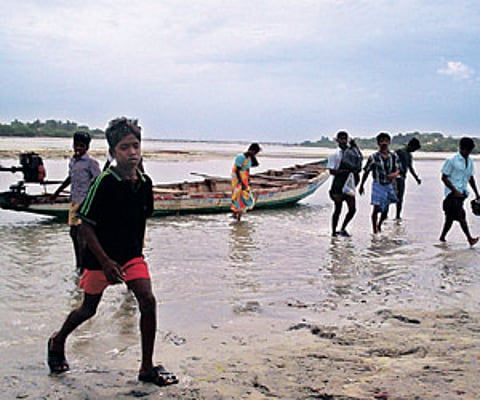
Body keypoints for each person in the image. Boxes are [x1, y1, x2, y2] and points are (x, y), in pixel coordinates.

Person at [47, 117, 178, 387]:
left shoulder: (144, 183)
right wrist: (105, 262)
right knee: (88, 309)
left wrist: (136, 261)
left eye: (136, 145)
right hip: (99, 257)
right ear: (113, 152)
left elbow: (141, 221)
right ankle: (57, 340)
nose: (132, 152)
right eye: (124, 148)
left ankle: (146, 368)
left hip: (130, 256)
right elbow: (84, 226)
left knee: (148, 301)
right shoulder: (105, 182)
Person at [51, 131, 101, 272]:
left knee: (81, 234)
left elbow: (97, 182)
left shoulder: (91, 162)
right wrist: (56, 193)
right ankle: (79, 264)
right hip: (74, 201)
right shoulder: (73, 161)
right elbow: (70, 179)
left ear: (87, 147)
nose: (78, 148)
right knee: (73, 233)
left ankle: (83, 266)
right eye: (76, 145)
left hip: (85, 202)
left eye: (81, 146)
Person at [439, 137, 479, 246]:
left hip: (462, 194)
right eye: (467, 150)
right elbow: (444, 177)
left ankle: (442, 238)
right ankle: (470, 239)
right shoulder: (451, 161)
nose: (468, 152)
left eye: (470, 150)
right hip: (451, 195)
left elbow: (470, 178)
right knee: (461, 216)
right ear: (461, 148)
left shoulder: (469, 161)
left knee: (450, 219)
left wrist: (477, 193)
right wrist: (454, 190)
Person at [359, 132, 400, 234]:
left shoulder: (393, 156)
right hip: (378, 184)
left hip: (389, 184)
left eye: (386, 141)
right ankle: (374, 230)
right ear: (378, 143)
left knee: (385, 210)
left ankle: (379, 224)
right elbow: (366, 171)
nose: (384, 143)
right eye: (381, 141)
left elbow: (398, 170)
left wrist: (393, 175)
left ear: (389, 142)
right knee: (376, 207)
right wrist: (361, 185)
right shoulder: (373, 157)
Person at [327, 131, 362, 237]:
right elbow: (332, 171)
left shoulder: (352, 152)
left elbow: (359, 161)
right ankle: (333, 231)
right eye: (341, 139)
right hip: (338, 184)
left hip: (350, 184)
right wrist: (346, 170)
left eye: (344, 139)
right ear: (337, 140)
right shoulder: (334, 154)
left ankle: (343, 228)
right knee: (338, 209)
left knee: (352, 209)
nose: (343, 141)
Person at [231, 143, 261, 221]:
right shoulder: (240, 157)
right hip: (237, 179)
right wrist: (241, 183)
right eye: (255, 152)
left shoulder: (249, 158)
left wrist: (247, 179)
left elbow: (254, 165)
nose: (255, 154)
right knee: (240, 197)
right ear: (252, 150)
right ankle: (237, 218)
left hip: (244, 178)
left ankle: (236, 215)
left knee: (246, 198)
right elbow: (237, 170)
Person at [394, 137, 422, 220]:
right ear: (411, 145)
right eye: (414, 149)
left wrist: (416, 178)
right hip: (395, 177)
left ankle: (397, 216)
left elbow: (410, 167)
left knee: (400, 198)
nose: (414, 151)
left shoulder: (409, 155)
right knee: (391, 196)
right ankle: (385, 214)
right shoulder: (399, 151)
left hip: (402, 178)